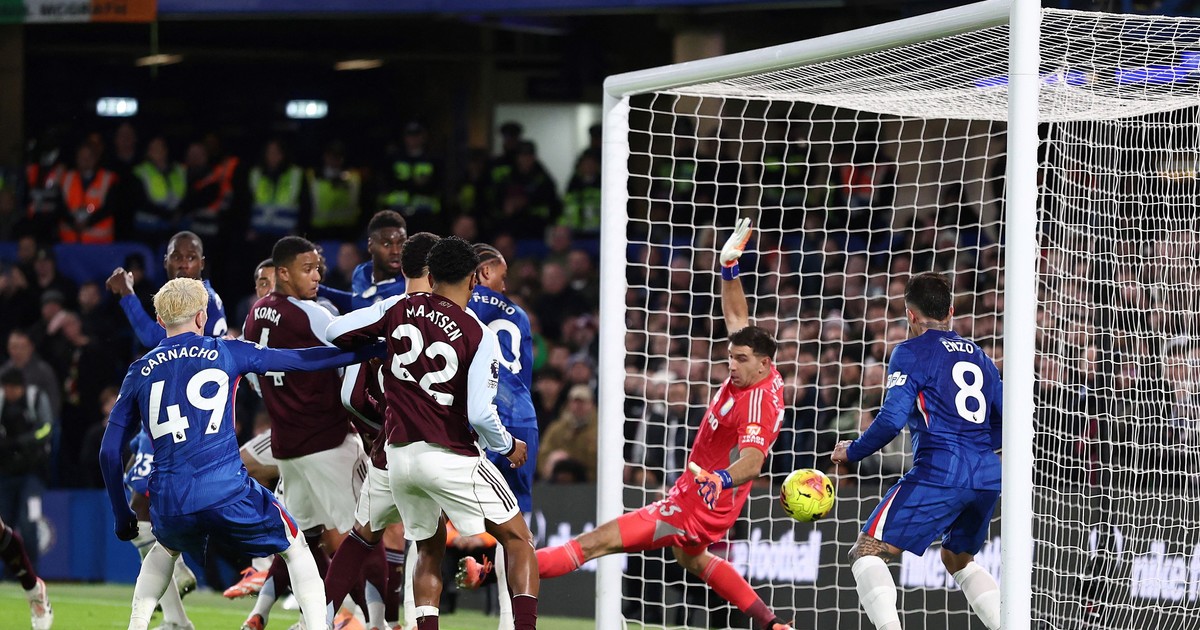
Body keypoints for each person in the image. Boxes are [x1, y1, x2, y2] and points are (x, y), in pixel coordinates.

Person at [520, 219, 795, 630]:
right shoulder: (759, 369)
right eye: (730, 358)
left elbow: (754, 462)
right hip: (709, 498)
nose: (732, 366)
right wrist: (729, 267)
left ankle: (491, 570)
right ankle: (770, 623)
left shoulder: (756, 404)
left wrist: (719, 478)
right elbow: (738, 317)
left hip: (697, 503)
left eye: (740, 360)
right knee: (693, 558)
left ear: (763, 364)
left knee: (594, 543)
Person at [97, 277, 381, 630]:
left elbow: (109, 452)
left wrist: (122, 514)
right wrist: (367, 351)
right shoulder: (227, 351)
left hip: (170, 498)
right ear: (201, 316)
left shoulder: (139, 370)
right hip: (227, 491)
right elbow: (303, 361)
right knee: (294, 545)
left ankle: (137, 625)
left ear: (159, 320)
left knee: (164, 549)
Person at [326, 236, 539, 630]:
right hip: (449, 452)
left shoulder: (397, 308)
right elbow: (480, 414)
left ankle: (322, 618)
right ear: (474, 279)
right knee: (518, 539)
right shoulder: (477, 332)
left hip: (398, 457)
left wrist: (376, 345)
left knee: (426, 548)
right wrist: (509, 445)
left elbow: (334, 332)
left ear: (432, 274)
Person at [831, 272, 1003, 630]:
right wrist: (979, 449)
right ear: (951, 311)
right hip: (987, 476)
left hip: (940, 470)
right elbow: (1005, 418)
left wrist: (853, 451)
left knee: (866, 551)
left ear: (910, 314)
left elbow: (891, 420)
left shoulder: (909, 352)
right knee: (957, 558)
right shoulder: (981, 357)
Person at [239, 236, 371, 630]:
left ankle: (308, 620)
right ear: (283, 273)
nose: (316, 277)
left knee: (299, 543)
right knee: (364, 532)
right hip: (328, 442)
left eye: (318, 269)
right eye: (307, 269)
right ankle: (373, 621)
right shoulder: (311, 314)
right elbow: (354, 349)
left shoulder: (253, 316)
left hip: (288, 448)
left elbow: (254, 379)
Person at [322, 231, 442, 630]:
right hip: (439, 450)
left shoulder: (385, 312)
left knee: (361, 537)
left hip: (389, 450)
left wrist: (380, 424)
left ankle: (321, 619)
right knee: (434, 544)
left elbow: (349, 388)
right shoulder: (456, 318)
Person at [450, 243, 540, 630]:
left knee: (433, 513)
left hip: (478, 417)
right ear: (485, 271)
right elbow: (524, 375)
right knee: (518, 529)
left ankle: (407, 613)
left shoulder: (459, 305)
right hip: (522, 418)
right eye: (502, 277)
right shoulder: (520, 314)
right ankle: (509, 621)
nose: (505, 286)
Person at [107, 231, 229, 347]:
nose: (184, 264)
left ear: (202, 264)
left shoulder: (194, 297)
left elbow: (152, 337)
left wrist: (126, 291)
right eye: (176, 257)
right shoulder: (204, 293)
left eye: (191, 258)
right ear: (166, 262)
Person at [318, 210, 408, 312]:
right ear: (371, 245)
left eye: (401, 243)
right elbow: (357, 303)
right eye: (386, 244)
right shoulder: (362, 272)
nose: (396, 251)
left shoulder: (411, 283)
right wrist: (319, 290)